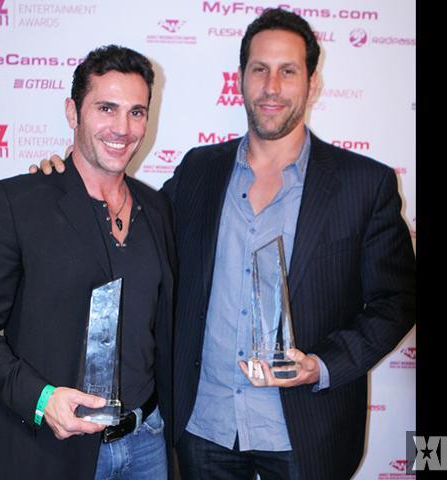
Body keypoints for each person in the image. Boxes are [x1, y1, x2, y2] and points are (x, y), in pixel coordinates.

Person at [31, 8, 416, 480]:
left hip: (305, 434)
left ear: (312, 83)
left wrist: (322, 365)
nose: (271, 86)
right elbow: (130, 222)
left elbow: (397, 301)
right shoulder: (199, 171)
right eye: (259, 69)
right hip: (203, 429)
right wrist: (67, 178)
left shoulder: (364, 185)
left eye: (288, 71)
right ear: (240, 79)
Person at [0, 45, 176, 480]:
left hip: (147, 443)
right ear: (72, 112)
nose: (122, 128)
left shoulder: (157, 208)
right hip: (51, 450)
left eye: (136, 112)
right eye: (106, 108)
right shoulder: (18, 202)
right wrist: (41, 400)